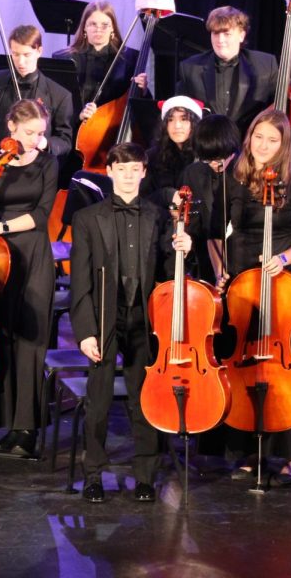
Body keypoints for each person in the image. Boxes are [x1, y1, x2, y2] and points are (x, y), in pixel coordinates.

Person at [70, 143, 191, 502]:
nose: (127, 176)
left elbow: (169, 275)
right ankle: (93, 474)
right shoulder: (88, 218)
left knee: (145, 399)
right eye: (120, 169)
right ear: (109, 172)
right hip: (106, 315)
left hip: (145, 317)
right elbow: (80, 281)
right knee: (99, 400)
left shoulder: (157, 215)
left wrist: (184, 247)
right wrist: (85, 331)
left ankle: (144, 476)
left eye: (134, 169)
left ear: (143, 172)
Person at [221, 109, 291, 484]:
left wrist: (282, 258)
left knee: (279, 371)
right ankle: (247, 449)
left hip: (280, 283)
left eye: (272, 140)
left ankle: (290, 454)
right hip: (240, 284)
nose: (263, 145)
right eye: (258, 137)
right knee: (242, 365)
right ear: (249, 139)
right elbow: (219, 228)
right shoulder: (235, 176)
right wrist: (221, 267)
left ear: (283, 145)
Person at [0, 99, 57, 457]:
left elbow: (41, 214)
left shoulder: (48, 164)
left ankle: (28, 429)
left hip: (32, 253)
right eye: (29, 132)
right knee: (0, 339)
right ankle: (6, 426)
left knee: (30, 344)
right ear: (11, 128)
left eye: (40, 133)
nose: (36, 139)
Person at [177, 6, 291, 136]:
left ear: (241, 35)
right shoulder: (190, 68)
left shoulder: (264, 65)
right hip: (206, 149)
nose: (220, 40)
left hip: (249, 151)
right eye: (215, 33)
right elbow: (178, 111)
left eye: (227, 33)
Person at [0, 25, 74, 160]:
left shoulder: (60, 95)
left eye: (27, 55)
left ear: (39, 51)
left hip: (35, 169)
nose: (21, 62)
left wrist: (45, 143)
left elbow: (65, 140)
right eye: (15, 54)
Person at [55, 0, 147, 123]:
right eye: (93, 24)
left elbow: (138, 106)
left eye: (105, 25)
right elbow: (56, 102)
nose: (99, 30)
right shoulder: (64, 58)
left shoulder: (129, 58)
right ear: (84, 28)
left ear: (112, 28)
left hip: (113, 129)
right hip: (73, 128)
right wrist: (78, 114)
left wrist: (143, 90)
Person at [179, 113, 242, 285]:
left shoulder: (246, 174)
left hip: (243, 263)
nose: (214, 165)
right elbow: (192, 222)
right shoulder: (193, 173)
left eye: (220, 160)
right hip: (206, 264)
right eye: (208, 161)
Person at [141, 96, 202, 204]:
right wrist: (166, 195)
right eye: (170, 120)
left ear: (195, 123)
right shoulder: (151, 156)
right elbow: (141, 201)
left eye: (184, 119)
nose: (177, 126)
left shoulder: (205, 155)